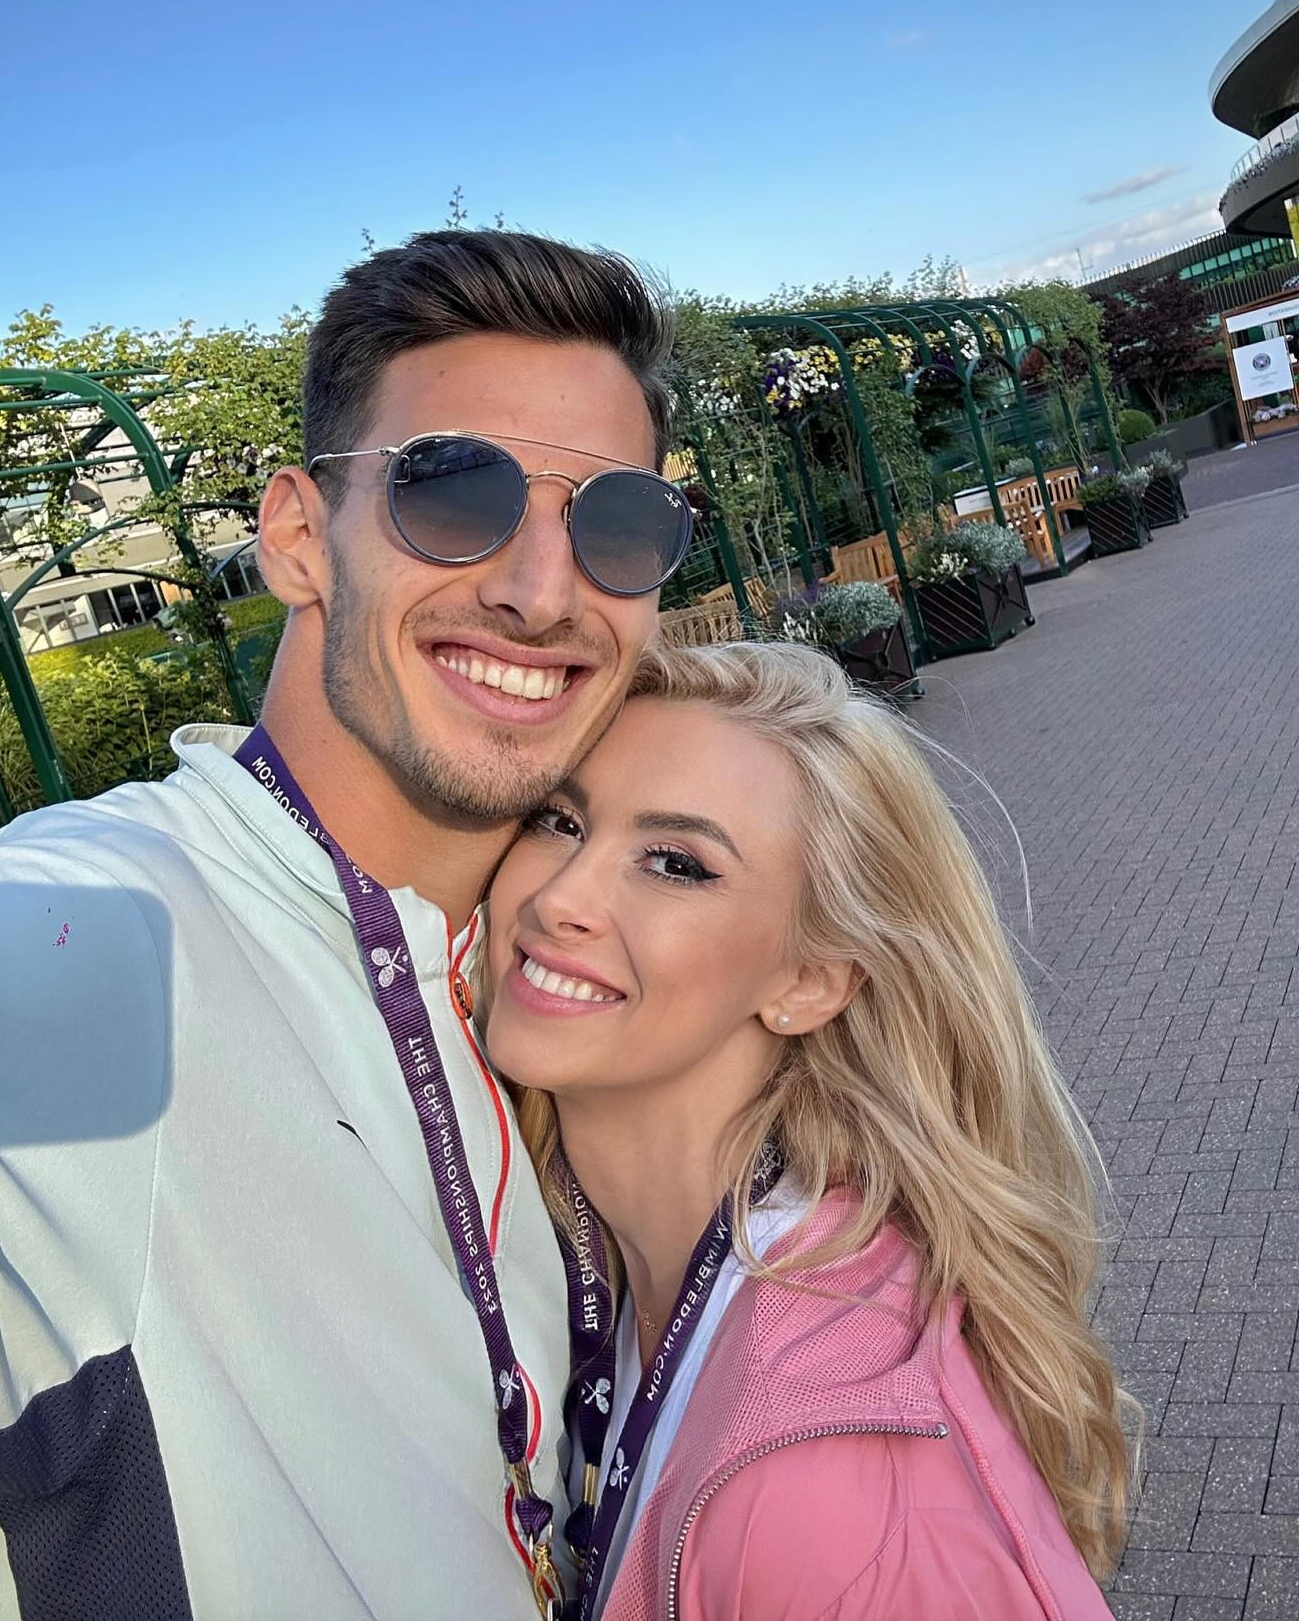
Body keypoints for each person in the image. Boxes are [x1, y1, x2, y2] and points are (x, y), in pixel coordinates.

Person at [0, 230, 696, 1619]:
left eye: (619, 525)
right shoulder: (82, 941)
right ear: (301, 538)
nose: (543, 591)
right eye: (454, 491)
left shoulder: (554, 965)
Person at [484, 641, 1132, 1620]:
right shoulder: (615, 1268)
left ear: (810, 981)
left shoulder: (830, 1506)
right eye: (558, 820)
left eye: (675, 864)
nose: (559, 898)